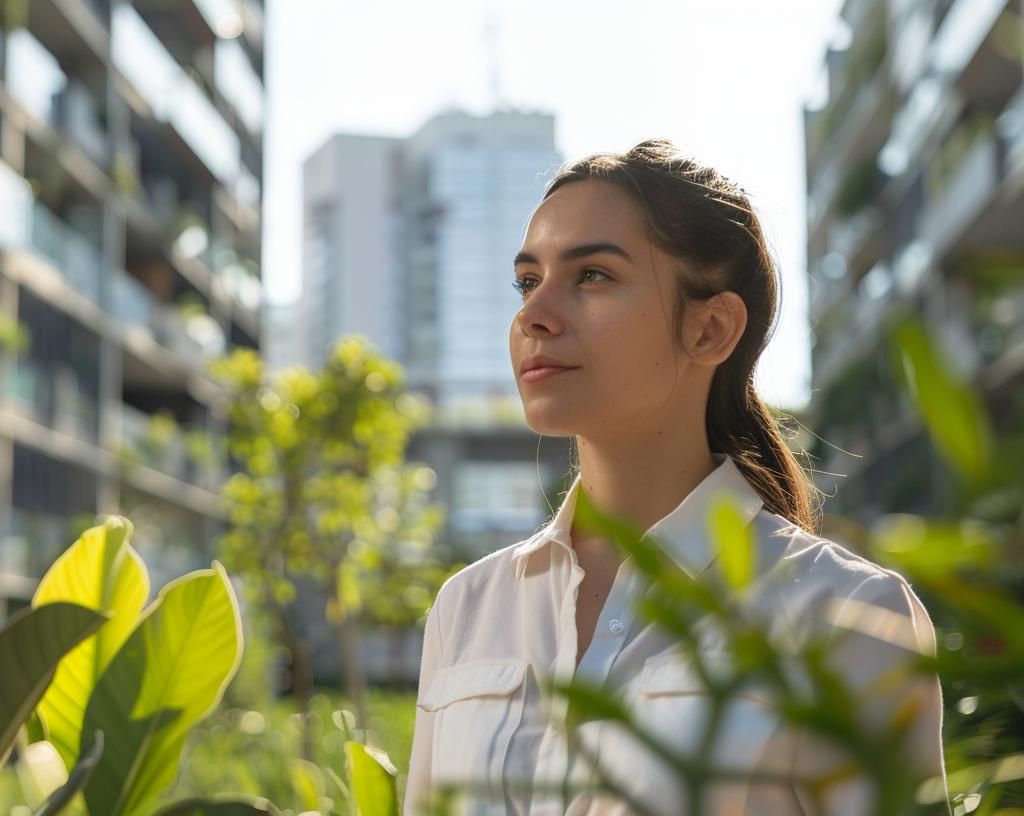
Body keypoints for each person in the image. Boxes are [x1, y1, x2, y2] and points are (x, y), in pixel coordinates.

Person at [403, 140, 947, 816]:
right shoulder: (466, 608)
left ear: (711, 328)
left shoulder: (849, 614)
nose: (532, 315)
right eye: (526, 281)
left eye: (593, 275)